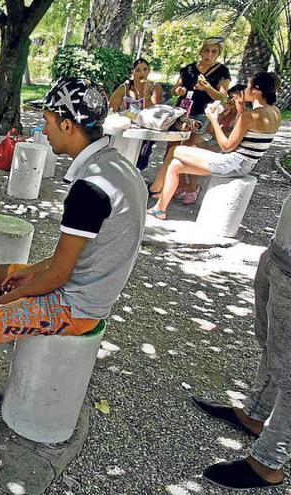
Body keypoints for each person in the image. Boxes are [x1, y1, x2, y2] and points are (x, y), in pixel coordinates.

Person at [0, 78, 146, 405]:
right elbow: (76, 254)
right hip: (86, 284)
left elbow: (60, 274)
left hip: (75, 306)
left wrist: (14, 299)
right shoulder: (116, 166)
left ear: (67, 124)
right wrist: (31, 271)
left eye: (47, 121)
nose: (43, 129)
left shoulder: (90, 188)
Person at [191, 193, 291, 490]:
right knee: (270, 345)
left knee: (290, 373)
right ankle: (254, 416)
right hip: (280, 250)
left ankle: (267, 463)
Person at [147, 72, 280, 220]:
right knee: (176, 165)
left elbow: (227, 146)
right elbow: (246, 139)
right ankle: (159, 209)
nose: (244, 90)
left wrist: (213, 119)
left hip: (233, 163)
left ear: (256, 90)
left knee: (175, 150)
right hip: (245, 164)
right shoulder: (275, 112)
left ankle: (154, 188)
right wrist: (241, 108)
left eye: (248, 86)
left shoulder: (252, 115)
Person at [151, 37, 231, 203]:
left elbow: (223, 97)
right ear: (201, 51)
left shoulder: (222, 71)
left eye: (213, 51)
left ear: (218, 53)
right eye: (206, 50)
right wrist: (178, 91)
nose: (209, 54)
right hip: (182, 111)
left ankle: (191, 187)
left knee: (189, 149)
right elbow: (175, 90)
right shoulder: (189, 69)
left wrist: (208, 88)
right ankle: (172, 184)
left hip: (201, 113)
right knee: (171, 146)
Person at [109, 58, 163, 170]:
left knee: (139, 161)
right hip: (125, 129)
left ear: (149, 71)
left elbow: (153, 111)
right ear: (132, 73)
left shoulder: (155, 88)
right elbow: (111, 109)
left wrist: (146, 94)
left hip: (144, 129)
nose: (141, 73)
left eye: (145, 69)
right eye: (138, 70)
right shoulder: (123, 89)